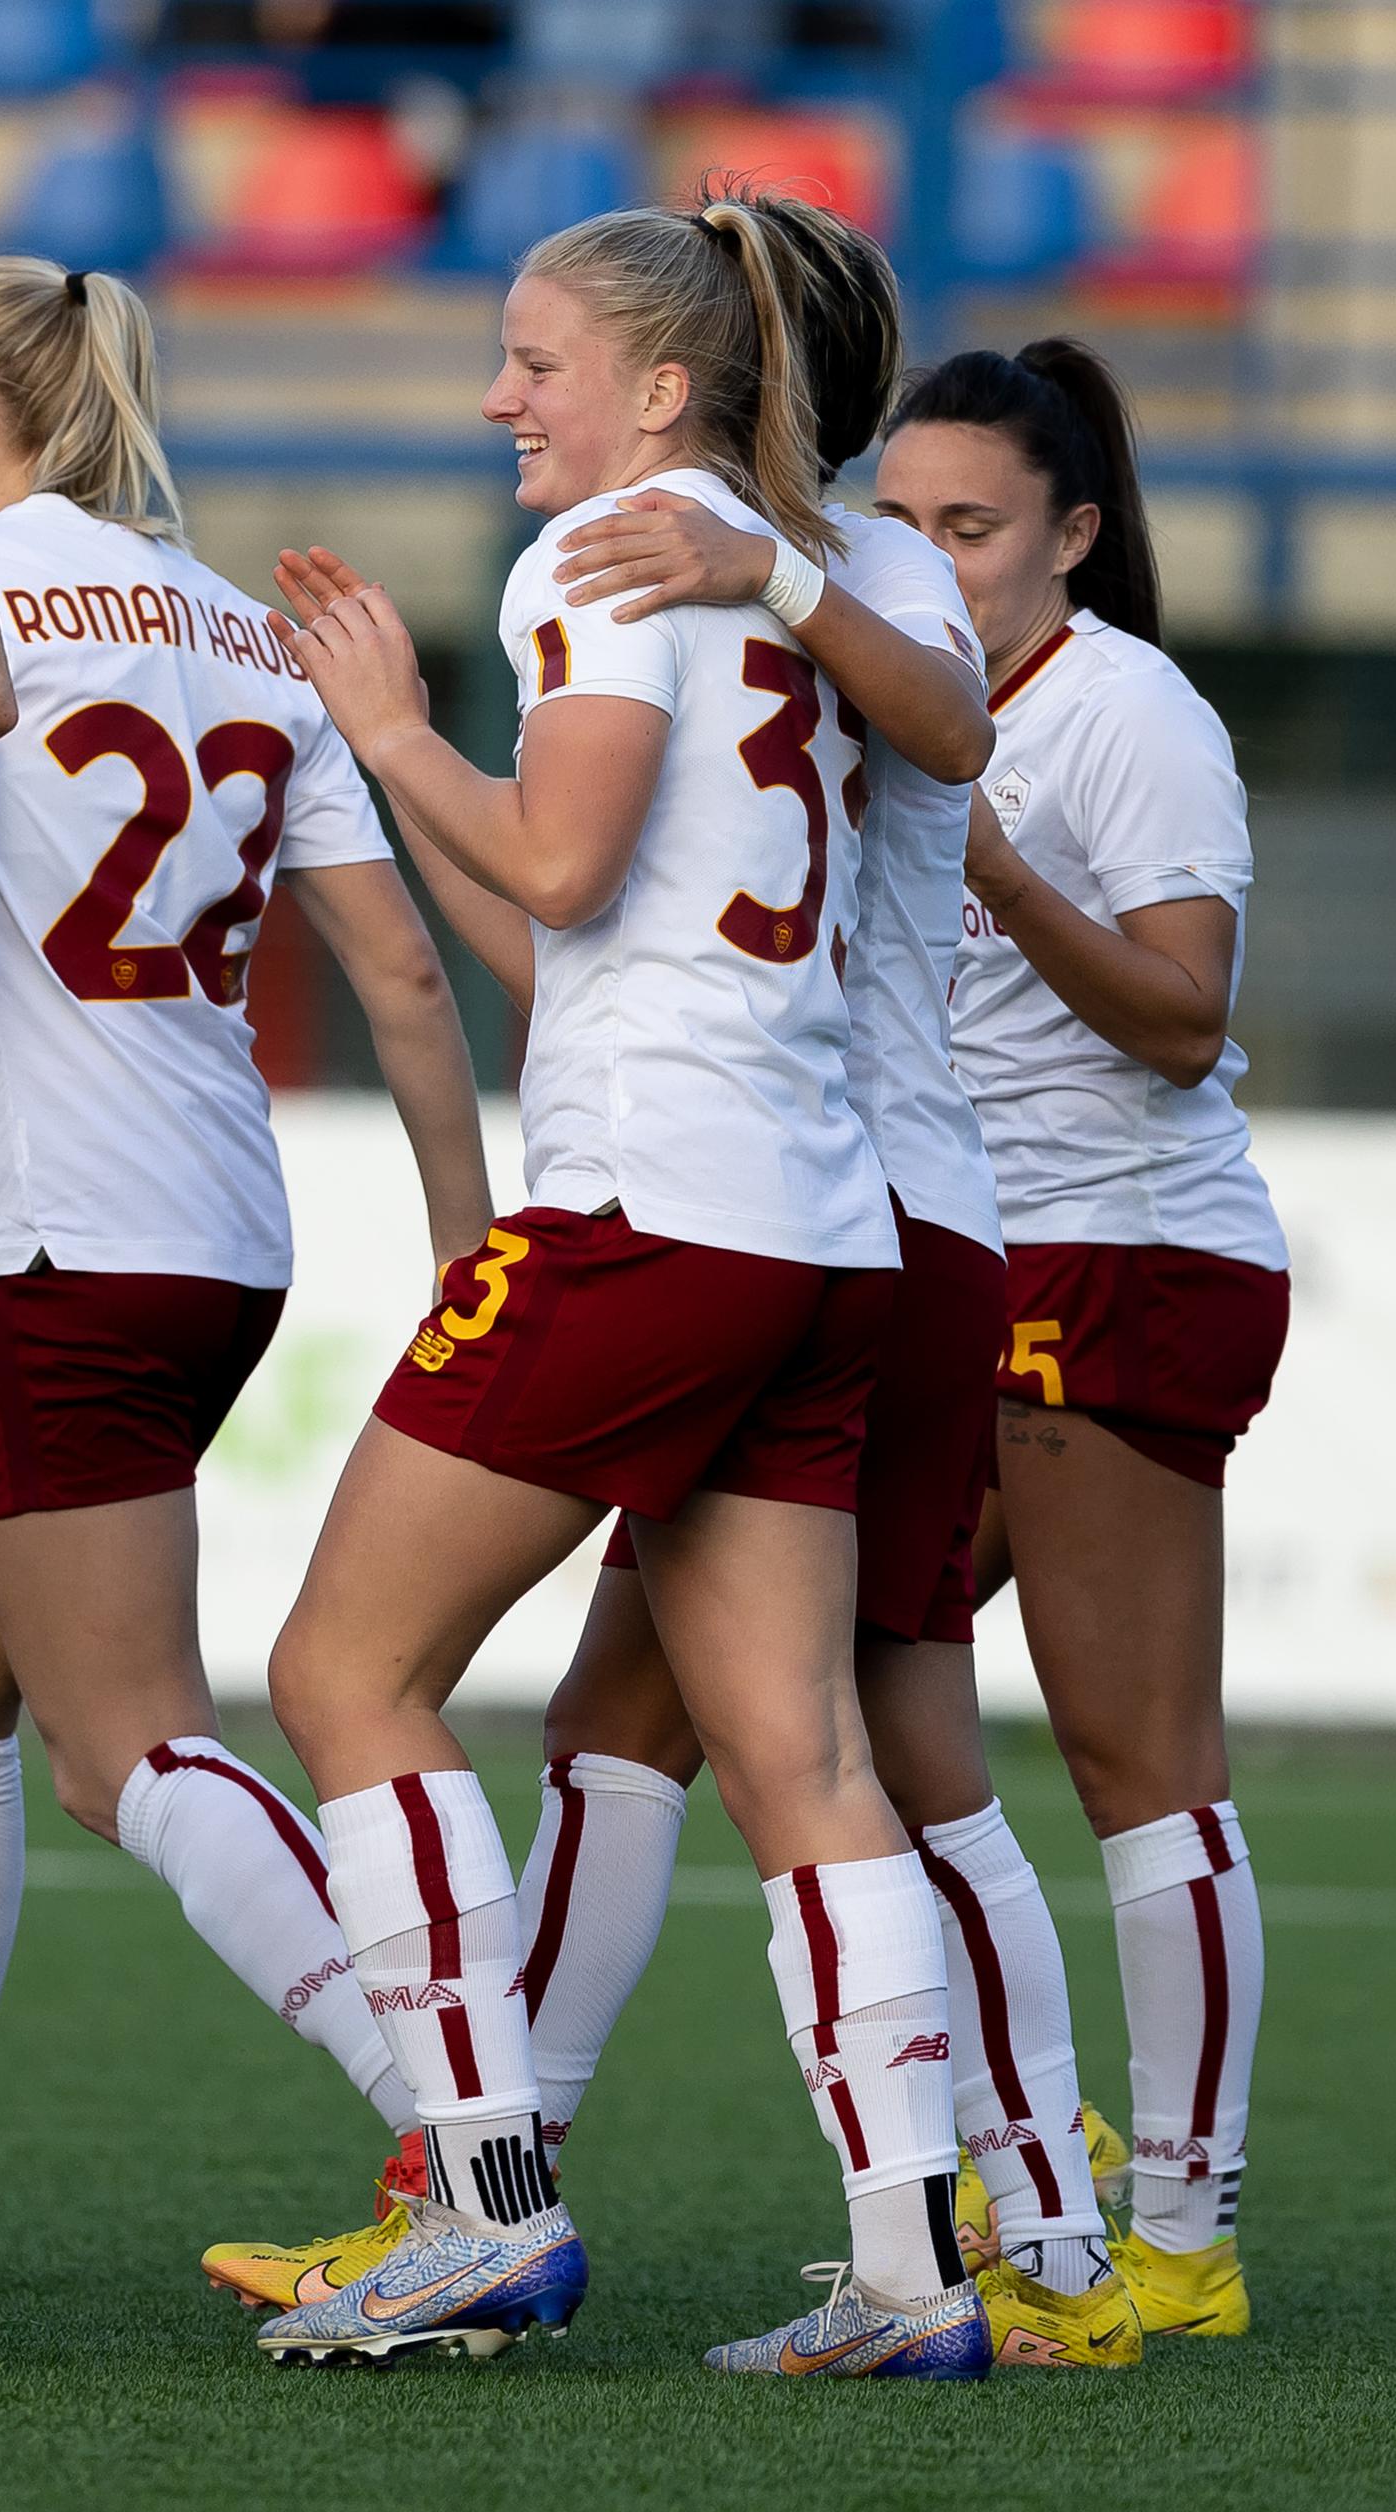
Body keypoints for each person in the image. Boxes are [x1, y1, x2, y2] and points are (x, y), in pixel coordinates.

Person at [232, 187, 1138, 2369]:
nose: (496, 397)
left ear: (664, 383)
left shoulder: (604, 558)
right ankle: (922, 2273)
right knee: (806, 1750)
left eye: (533, 359)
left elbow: (563, 863)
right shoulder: (846, 571)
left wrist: (384, 728)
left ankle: (486, 2194)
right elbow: (895, 746)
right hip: (835, 1219)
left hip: (662, 1206)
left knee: (343, 1669)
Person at [0, 254, 491, 2211]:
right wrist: (470, 1244)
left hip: (78, 1240)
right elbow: (408, 979)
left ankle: (466, 2132)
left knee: (129, 1747)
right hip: (213, 1229)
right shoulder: (246, 631)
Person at [877, 336, 1284, 2342]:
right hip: (967, 1253)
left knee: (1137, 1755)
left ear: (1073, 539)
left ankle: (1184, 2236)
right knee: (868, 1698)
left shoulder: (1123, 711)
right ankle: (1023, 2150)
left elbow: (1184, 1012)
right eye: (898, 521)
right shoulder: (896, 693)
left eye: (972, 526)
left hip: (1120, 1247)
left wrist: (1004, 868)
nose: (930, 561)